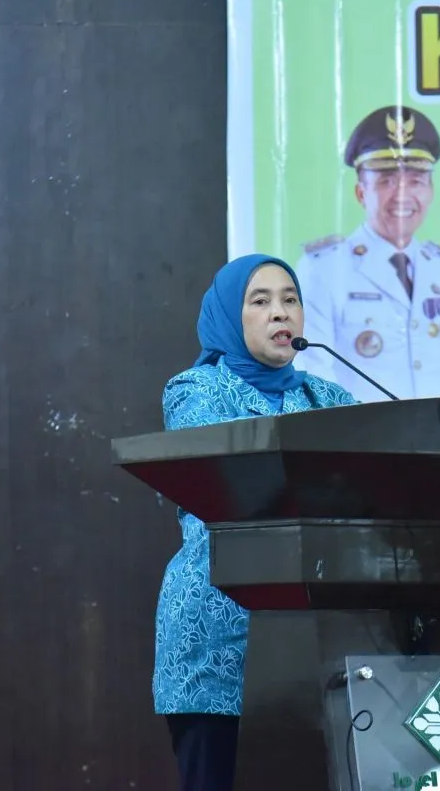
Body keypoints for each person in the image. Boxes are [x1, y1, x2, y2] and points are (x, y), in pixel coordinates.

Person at [152, 254, 358, 791]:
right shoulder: (194, 391)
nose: (280, 312)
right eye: (260, 301)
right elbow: (236, 479)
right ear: (229, 316)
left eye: (290, 300)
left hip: (316, 644)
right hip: (217, 640)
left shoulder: (330, 398)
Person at [292, 105, 440, 401]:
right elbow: (311, 372)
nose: (402, 196)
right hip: (359, 431)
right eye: (386, 181)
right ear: (361, 193)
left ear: (431, 190)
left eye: (416, 181)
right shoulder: (323, 269)